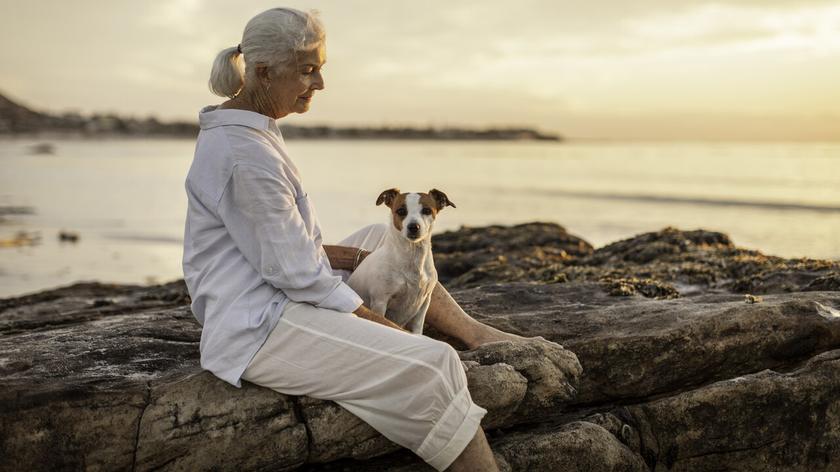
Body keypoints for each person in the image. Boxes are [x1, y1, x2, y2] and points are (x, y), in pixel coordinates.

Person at [182, 7, 540, 471]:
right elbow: (296, 274)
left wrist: (351, 256)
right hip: (257, 325)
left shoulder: (253, 130)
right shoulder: (243, 155)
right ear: (264, 73)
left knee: (382, 236)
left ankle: (471, 332)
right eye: (308, 71)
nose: (320, 84)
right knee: (433, 365)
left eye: (321, 69)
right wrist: (383, 328)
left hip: (270, 285)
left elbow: (269, 243)